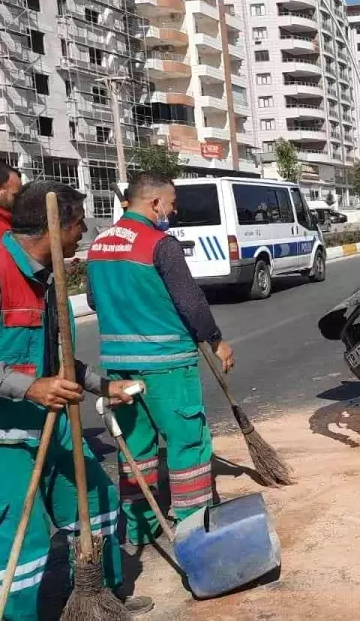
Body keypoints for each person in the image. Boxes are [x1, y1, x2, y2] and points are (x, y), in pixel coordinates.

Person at [0, 181, 153, 619]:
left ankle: (96, 600)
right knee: (23, 547)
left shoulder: (49, 279)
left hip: (52, 425)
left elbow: (59, 357)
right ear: (59, 227)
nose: (84, 233)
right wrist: (28, 387)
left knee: (100, 503)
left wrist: (100, 385)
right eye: (79, 226)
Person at [86, 171, 235, 547]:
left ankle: (140, 528)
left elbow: (92, 300)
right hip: (167, 362)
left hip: (119, 366)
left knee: (136, 449)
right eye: (170, 204)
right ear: (154, 203)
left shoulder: (99, 244)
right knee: (187, 442)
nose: (172, 210)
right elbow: (190, 301)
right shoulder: (160, 244)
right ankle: (194, 527)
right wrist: (216, 341)